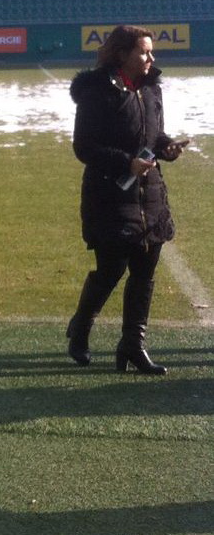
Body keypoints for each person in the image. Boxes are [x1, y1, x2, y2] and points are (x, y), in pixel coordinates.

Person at [67, 25, 187, 375]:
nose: (151, 57)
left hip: (149, 196)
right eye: (144, 51)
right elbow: (84, 147)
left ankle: (133, 345)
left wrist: (167, 147)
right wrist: (126, 163)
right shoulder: (97, 92)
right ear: (122, 54)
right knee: (111, 269)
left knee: (144, 271)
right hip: (109, 195)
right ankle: (81, 328)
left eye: (151, 51)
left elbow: (153, 135)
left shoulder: (150, 89)